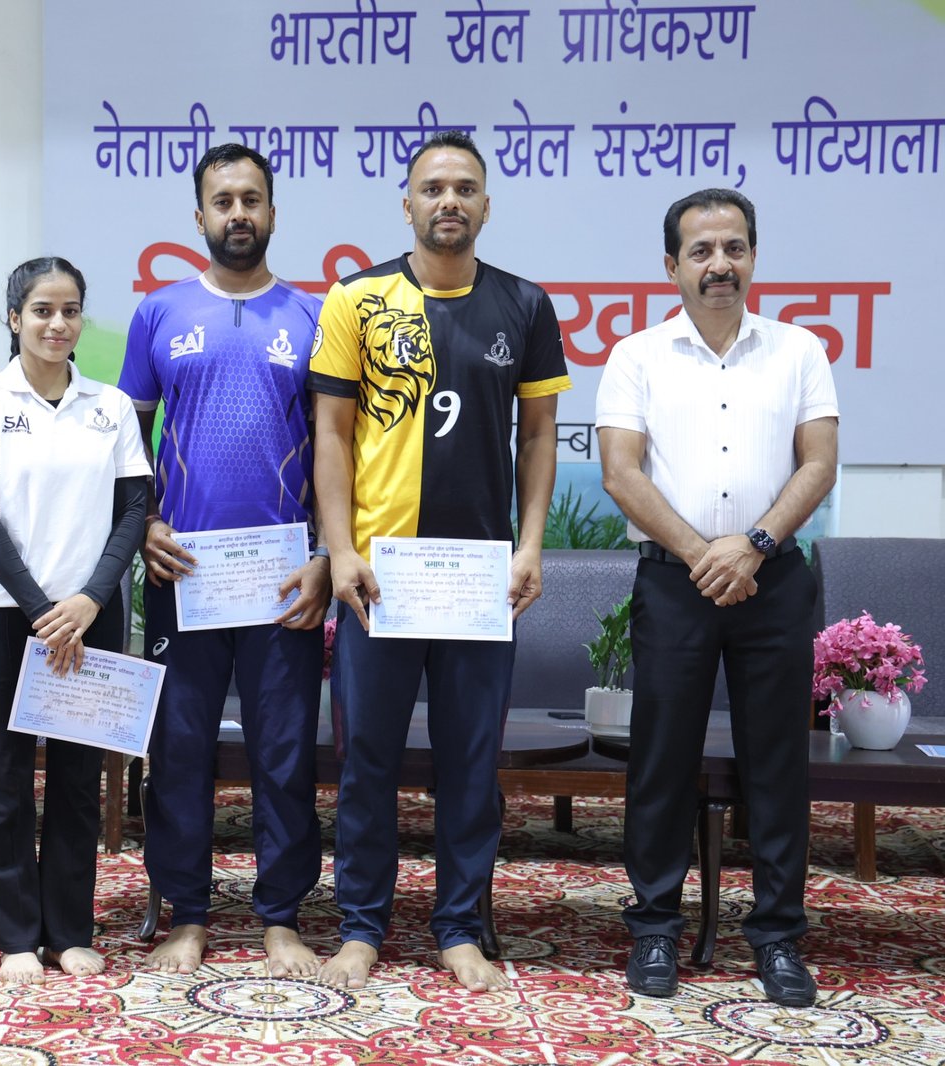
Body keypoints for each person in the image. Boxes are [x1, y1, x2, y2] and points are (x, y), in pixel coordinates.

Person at [309, 129, 569, 991]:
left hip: (476, 581)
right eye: (432, 188)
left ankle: (458, 928)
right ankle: (361, 927)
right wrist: (340, 551)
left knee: (469, 763)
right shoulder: (357, 299)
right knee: (367, 761)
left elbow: (539, 437)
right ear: (407, 203)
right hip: (380, 577)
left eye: (464, 188)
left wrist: (529, 546)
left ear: (486, 205)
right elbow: (331, 435)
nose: (448, 201)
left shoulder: (526, 304)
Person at [596, 188, 838, 1008]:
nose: (719, 264)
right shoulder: (637, 356)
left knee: (778, 762)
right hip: (676, 584)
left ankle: (777, 937)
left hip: (775, 583)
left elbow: (818, 463)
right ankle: (655, 927)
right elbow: (621, 473)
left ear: (754, 257)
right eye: (701, 251)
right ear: (672, 265)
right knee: (661, 760)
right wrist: (706, 555)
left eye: (734, 248)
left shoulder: (800, 350)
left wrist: (755, 544)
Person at [119, 143, 330, 978]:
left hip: (283, 578)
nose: (237, 213)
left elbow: (337, 451)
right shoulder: (159, 312)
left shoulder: (315, 315)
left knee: (285, 751)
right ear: (199, 216)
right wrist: (143, 525)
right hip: (185, 574)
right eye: (223, 200)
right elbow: (126, 440)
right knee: (178, 749)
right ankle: (188, 914)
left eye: (251, 199)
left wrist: (324, 555)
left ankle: (281, 916)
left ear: (272, 212)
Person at [0, 257, 151, 984]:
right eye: (41, 310)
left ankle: (68, 930)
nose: (57, 324)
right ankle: (12, 934)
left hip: (89, 614)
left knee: (76, 776)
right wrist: (41, 610)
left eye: (69, 310)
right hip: (8, 615)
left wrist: (91, 599)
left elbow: (133, 510)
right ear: (15, 319)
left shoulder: (111, 406)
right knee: (6, 775)